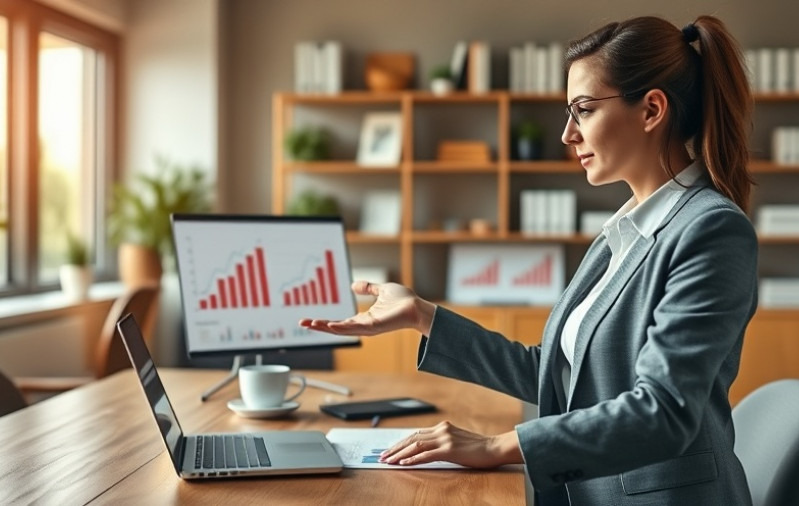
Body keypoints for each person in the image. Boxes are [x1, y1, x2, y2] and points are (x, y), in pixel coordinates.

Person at [302, 14, 757, 505]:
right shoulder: (623, 232)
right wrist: (421, 315)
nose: (567, 134)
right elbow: (558, 373)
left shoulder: (711, 230)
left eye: (582, 110)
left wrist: (499, 446)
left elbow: (663, 412)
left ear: (651, 110)